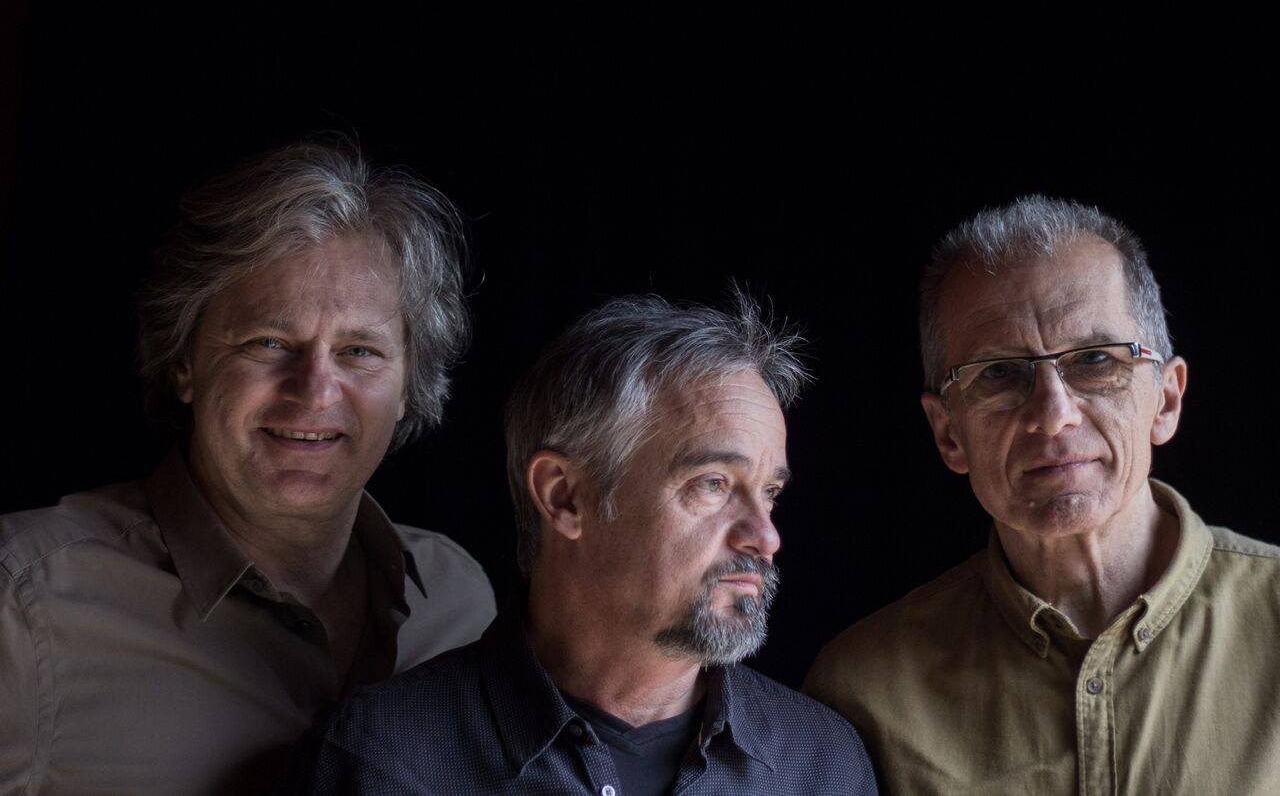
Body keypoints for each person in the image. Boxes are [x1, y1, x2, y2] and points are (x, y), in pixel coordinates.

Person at [0, 141, 496, 795]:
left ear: (408, 386)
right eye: (268, 342)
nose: (314, 391)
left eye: (359, 350)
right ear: (185, 363)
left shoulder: (458, 602)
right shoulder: (22, 604)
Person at [299, 293, 878, 795]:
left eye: (770, 492)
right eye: (713, 484)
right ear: (565, 497)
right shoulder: (386, 759)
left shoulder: (822, 765)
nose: (766, 537)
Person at [805, 196, 1280, 794]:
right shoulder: (863, 693)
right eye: (1000, 373)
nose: (1053, 415)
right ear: (948, 433)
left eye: (1095, 360)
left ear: (1166, 399)